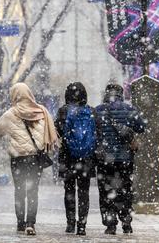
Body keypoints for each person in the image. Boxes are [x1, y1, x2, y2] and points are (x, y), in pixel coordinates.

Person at [0, 83, 58, 236]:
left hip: (18, 158)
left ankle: (20, 223)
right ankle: (31, 223)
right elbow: (46, 136)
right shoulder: (42, 112)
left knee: (19, 191)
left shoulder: (10, 113)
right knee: (32, 191)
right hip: (35, 158)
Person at [95, 83, 145, 235]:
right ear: (121, 94)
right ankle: (126, 221)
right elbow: (141, 127)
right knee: (125, 190)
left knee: (106, 191)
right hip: (125, 158)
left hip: (105, 159)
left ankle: (110, 224)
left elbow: (94, 132)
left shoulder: (98, 110)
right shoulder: (129, 110)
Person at [55, 82, 96, 236]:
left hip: (68, 158)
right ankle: (82, 226)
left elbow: (56, 132)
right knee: (84, 192)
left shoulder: (63, 111)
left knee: (69, 190)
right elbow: (97, 134)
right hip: (86, 159)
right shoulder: (91, 111)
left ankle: (70, 223)